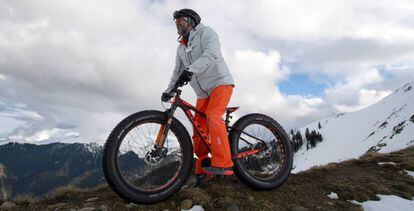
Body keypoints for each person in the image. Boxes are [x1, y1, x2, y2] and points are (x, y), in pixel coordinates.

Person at [161, 9, 235, 186]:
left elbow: (211, 54)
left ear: (191, 21)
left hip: (221, 83)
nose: (177, 23)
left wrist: (191, 70)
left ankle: (224, 164)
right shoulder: (180, 49)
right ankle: (204, 166)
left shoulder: (207, 33)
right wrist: (169, 90)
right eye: (176, 21)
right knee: (198, 130)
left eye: (180, 19)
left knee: (213, 116)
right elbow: (177, 72)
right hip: (202, 93)